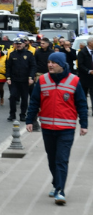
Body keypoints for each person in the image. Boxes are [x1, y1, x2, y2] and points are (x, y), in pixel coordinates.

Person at [25, 52, 88, 205]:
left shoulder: (74, 81)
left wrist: (84, 124)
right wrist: (29, 120)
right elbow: (34, 101)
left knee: (61, 160)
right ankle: (56, 183)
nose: (50, 65)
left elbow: (81, 104)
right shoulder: (42, 80)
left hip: (66, 128)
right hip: (47, 128)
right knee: (52, 160)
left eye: (54, 62)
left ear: (62, 65)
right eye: (49, 62)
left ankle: (60, 190)